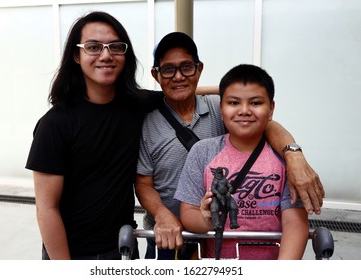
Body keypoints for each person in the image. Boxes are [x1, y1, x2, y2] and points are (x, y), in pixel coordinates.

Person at [135, 32, 318, 259]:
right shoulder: (147, 122)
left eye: (187, 67)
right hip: (169, 233)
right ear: (156, 74)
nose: (179, 76)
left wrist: (293, 154)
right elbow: (143, 182)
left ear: (199, 69)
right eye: (169, 69)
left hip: (218, 233)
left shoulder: (218, 109)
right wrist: (163, 214)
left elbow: (264, 125)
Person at [25, 11, 165, 260]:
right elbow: (47, 209)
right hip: (73, 255)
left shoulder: (135, 105)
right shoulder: (55, 124)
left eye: (115, 47)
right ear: (76, 56)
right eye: (93, 47)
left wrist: (232, 93)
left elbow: (179, 93)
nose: (106, 55)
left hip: (123, 250)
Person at [175, 64, 309, 259]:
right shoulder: (203, 152)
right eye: (234, 103)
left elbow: (295, 223)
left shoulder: (285, 158)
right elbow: (188, 213)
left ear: (271, 109)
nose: (244, 110)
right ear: (221, 109)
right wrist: (206, 219)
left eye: (255, 103)